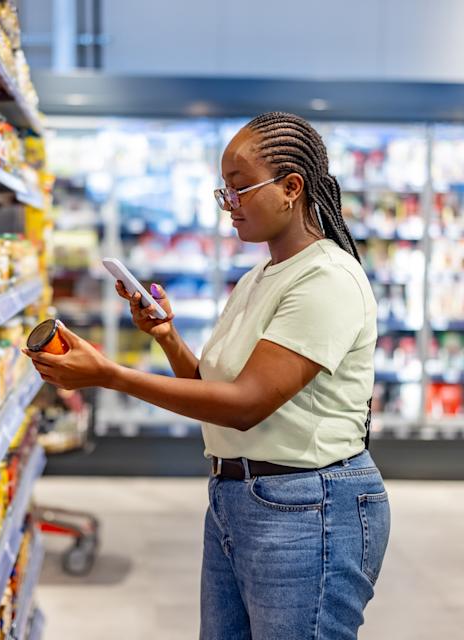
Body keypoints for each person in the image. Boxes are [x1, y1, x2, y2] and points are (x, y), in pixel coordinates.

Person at [23, 112, 390, 640]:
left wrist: (109, 375)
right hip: (238, 497)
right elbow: (214, 392)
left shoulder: (326, 279)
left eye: (240, 189)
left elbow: (246, 403)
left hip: (309, 508)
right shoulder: (259, 277)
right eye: (225, 192)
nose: (229, 205)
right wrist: (167, 338)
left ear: (292, 188)